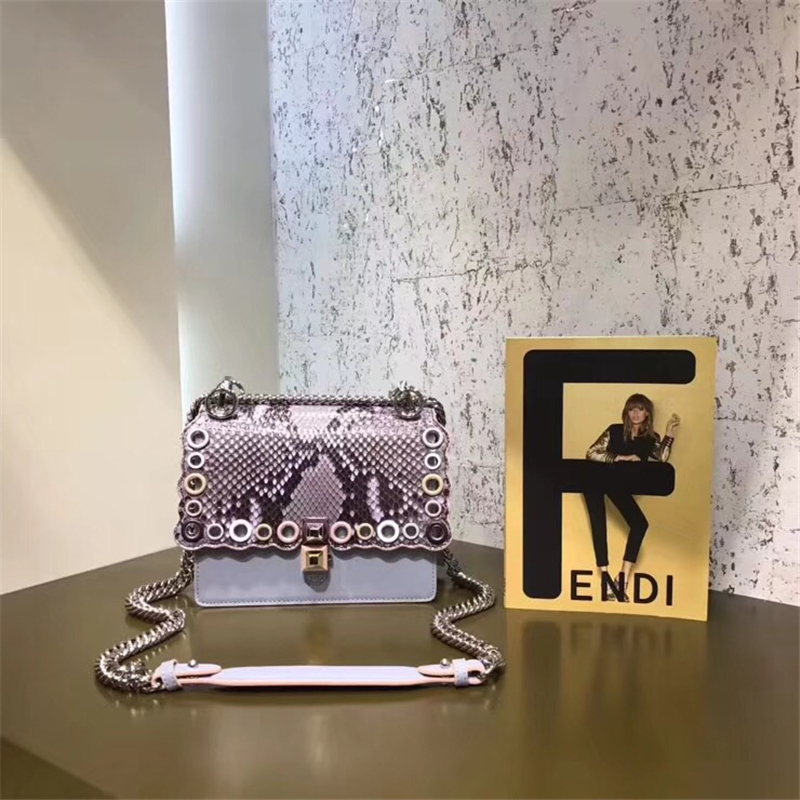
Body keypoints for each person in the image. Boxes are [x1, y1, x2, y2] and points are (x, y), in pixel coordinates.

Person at [583, 394, 680, 601]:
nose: (635, 413)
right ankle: (605, 579)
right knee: (598, 522)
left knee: (639, 524)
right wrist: (622, 458)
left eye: (640, 409)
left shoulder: (650, 439)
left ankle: (622, 580)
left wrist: (669, 434)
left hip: (619, 485)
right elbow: (592, 452)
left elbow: (662, 457)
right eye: (631, 409)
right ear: (626, 412)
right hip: (597, 479)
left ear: (647, 414)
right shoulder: (614, 431)